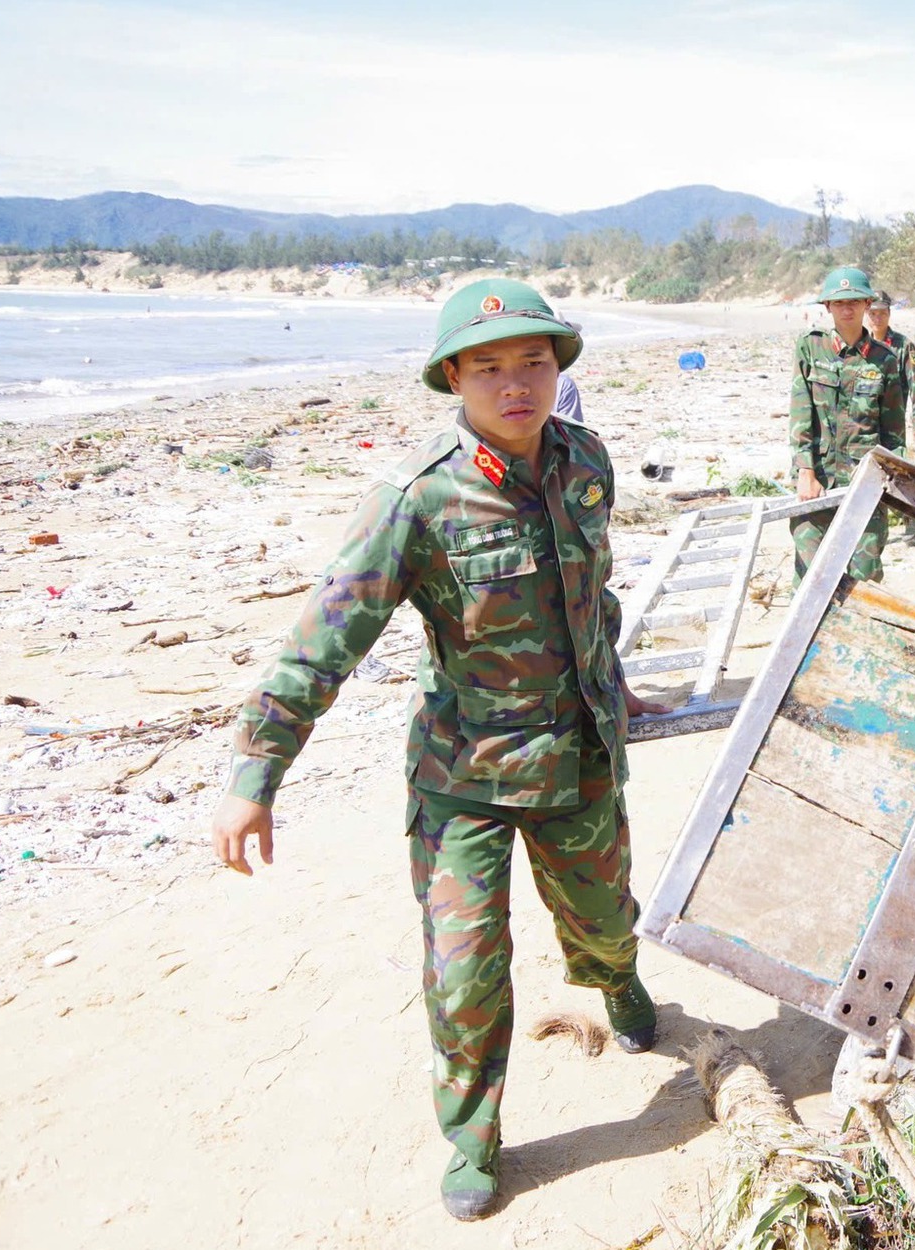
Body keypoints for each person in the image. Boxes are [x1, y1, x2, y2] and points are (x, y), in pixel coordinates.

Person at [210, 278, 671, 1223]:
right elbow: (323, 641)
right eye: (489, 368)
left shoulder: (586, 460)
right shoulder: (416, 501)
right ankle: (473, 1138)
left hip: (577, 759)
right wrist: (256, 774)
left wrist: (614, 679)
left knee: (604, 921)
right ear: (453, 378)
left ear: (557, 370)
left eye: (533, 362)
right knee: (464, 971)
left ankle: (618, 981)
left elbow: (594, 592)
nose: (516, 384)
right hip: (465, 775)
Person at [788, 266, 907, 582]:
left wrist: (892, 480)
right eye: (839, 302)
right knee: (811, 576)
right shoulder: (810, 347)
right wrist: (805, 471)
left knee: (864, 576)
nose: (847, 309)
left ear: (867, 304)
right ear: (827, 306)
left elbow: (894, 433)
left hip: (865, 481)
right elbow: (801, 414)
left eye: (854, 301)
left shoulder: (885, 359)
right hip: (817, 480)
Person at [867, 291, 915, 451]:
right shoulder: (862, 346)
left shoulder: (904, 346)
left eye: (882, 313)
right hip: (865, 427)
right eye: (873, 313)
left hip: (893, 426)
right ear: (866, 314)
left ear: (889, 314)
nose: (878, 318)